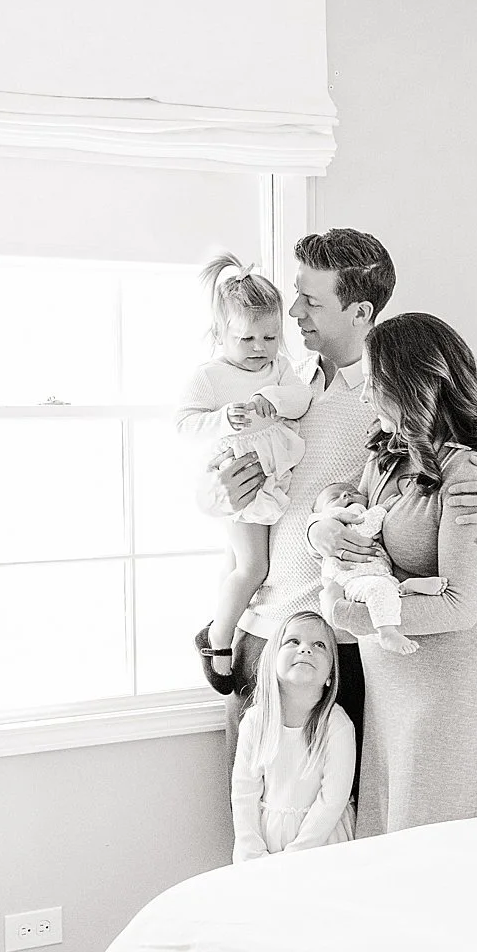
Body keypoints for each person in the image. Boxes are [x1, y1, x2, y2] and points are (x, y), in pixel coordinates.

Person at [197, 229, 477, 748]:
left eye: (310, 300)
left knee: (346, 820)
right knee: (252, 812)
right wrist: (215, 495)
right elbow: (213, 466)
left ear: (360, 312)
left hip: (348, 645)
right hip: (263, 631)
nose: (292, 315)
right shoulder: (276, 380)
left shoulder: (398, 400)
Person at [310, 312, 477, 835]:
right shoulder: (390, 457)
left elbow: (460, 606)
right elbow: (344, 506)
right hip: (395, 685)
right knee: (387, 847)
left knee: (434, 859)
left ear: (410, 385)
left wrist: (349, 615)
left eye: (374, 382)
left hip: (454, 691)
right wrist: (323, 528)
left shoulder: (471, 476)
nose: (364, 395)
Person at [176, 255, 311, 681]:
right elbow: (184, 425)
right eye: (247, 338)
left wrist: (272, 398)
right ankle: (217, 643)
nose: (260, 348)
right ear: (219, 334)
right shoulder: (211, 376)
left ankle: (224, 631)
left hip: (271, 473)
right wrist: (222, 419)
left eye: (271, 336)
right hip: (243, 479)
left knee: (236, 563)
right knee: (253, 567)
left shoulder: (280, 367)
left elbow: (300, 399)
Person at [230, 612, 355, 862]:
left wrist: (296, 857)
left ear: (331, 673)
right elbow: (244, 793)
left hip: (323, 843)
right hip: (266, 840)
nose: (306, 649)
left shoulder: (336, 725)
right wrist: (253, 852)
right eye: (293, 642)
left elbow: (333, 800)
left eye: (319, 645)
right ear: (272, 659)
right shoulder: (256, 722)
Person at [310, 479, 445, 656]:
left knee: (384, 595)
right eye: (334, 497)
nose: (346, 495)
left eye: (352, 492)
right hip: (352, 582)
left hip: (378, 575)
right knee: (378, 592)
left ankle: (404, 588)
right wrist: (383, 508)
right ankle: (387, 633)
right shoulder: (336, 520)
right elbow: (365, 525)